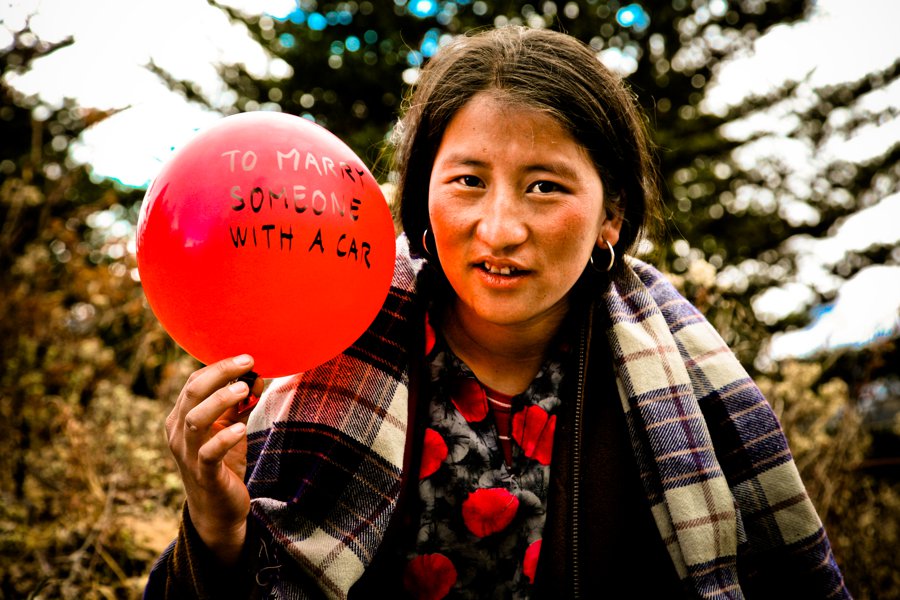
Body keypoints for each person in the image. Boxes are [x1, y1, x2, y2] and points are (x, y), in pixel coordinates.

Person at [145, 26, 850, 599]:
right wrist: (217, 533)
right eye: (467, 181)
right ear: (423, 197)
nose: (500, 228)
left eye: (544, 187)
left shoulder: (680, 381)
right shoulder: (335, 349)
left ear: (611, 215)